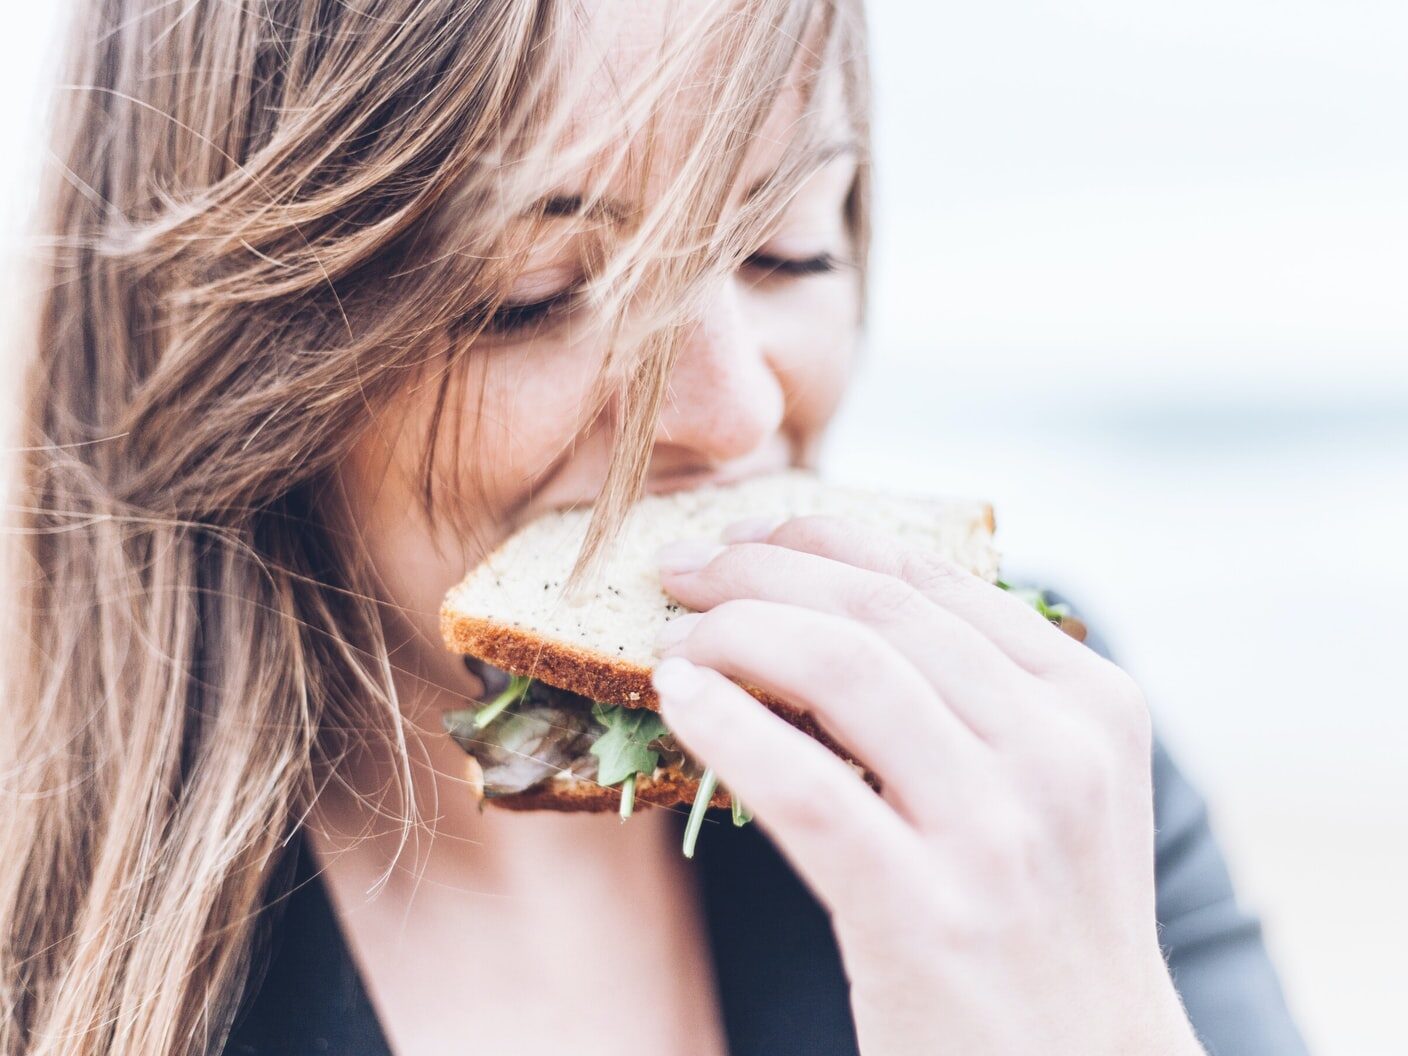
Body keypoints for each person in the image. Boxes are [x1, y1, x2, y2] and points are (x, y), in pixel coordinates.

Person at [0, 2, 1309, 1054]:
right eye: (538, 293)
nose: (739, 411)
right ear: (238, 351)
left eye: (789, 250)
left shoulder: (1034, 764)